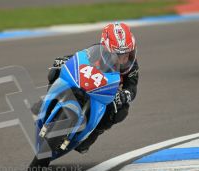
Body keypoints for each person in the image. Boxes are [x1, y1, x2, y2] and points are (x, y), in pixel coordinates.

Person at [32, 22, 139, 153]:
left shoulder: (132, 67)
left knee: (121, 111)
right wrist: (64, 60)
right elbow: (78, 58)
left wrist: (124, 95)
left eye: (127, 55)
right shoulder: (97, 52)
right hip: (87, 82)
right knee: (56, 70)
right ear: (105, 49)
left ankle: (92, 136)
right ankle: (45, 102)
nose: (123, 60)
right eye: (118, 55)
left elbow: (132, 87)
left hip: (108, 94)